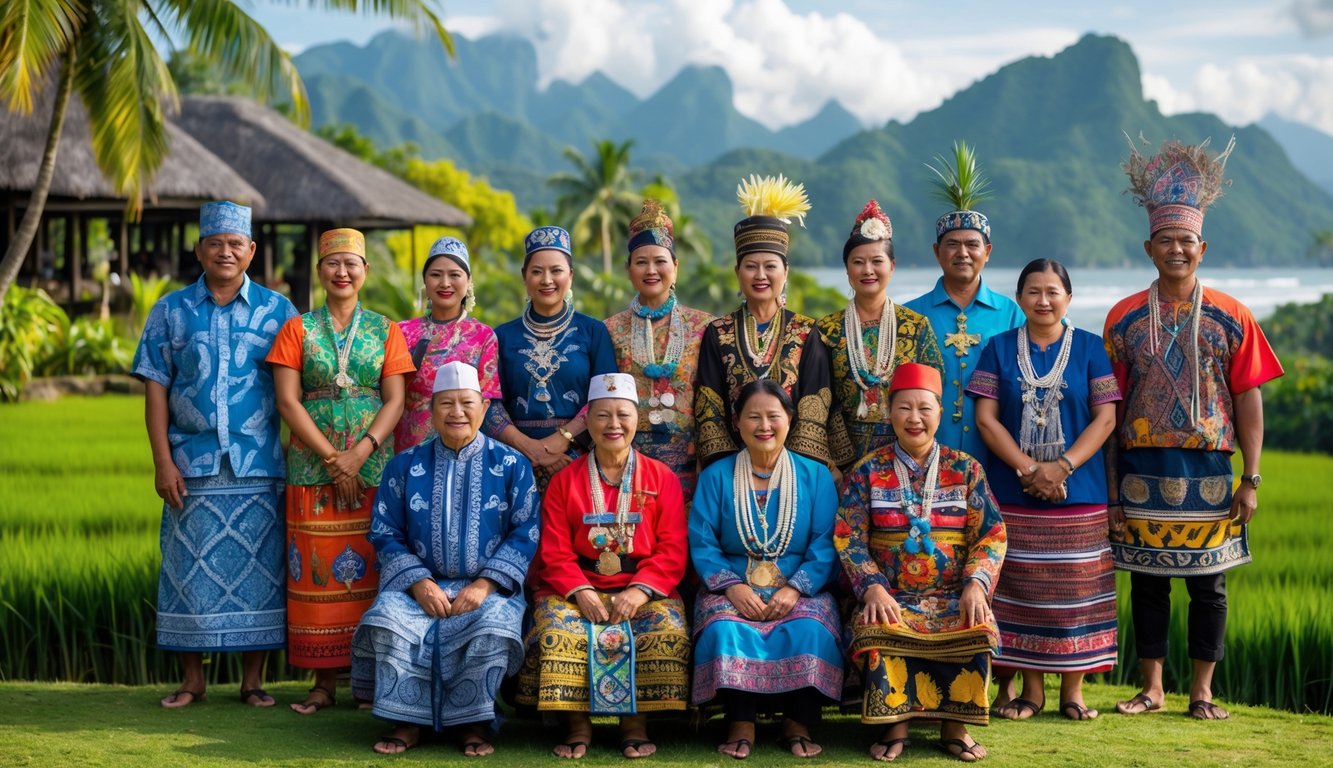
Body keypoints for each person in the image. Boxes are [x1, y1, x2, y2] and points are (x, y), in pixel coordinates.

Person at [1105, 137, 1283, 720]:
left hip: (1209, 469)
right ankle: (1152, 688)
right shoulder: (1124, 317)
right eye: (1166, 240)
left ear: (1201, 247)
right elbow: (1109, 406)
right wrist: (1110, 490)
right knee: (1148, 584)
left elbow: (1248, 401)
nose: (1176, 249)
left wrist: (1251, 478)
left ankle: (1202, 691)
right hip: (1141, 468)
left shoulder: (1234, 316)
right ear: (1148, 246)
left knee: (1210, 586)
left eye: (1186, 241)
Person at [132, 201, 297, 709]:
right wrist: (162, 461)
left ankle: (252, 683)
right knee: (187, 570)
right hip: (192, 464)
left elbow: (297, 391)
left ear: (250, 251)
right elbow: (156, 388)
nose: (225, 252)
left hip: (260, 464)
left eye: (235, 244)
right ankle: (192, 682)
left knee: (262, 572)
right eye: (215, 243)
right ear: (199, 250)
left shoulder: (279, 311)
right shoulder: (170, 310)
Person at [350, 361, 540, 756]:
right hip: (416, 587)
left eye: (467, 403)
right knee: (386, 617)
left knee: (493, 623)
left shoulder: (511, 465)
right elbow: (384, 532)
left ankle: (473, 723)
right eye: (446, 404)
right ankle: (406, 720)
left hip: (487, 588)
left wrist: (485, 585)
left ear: (484, 409)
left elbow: (527, 532)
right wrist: (419, 584)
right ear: (432, 411)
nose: (457, 413)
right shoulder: (404, 465)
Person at [267, 228, 415, 714]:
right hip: (312, 470)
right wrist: (334, 459)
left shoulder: (386, 330)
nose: (343, 272)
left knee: (372, 573)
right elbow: (288, 401)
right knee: (316, 578)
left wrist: (360, 453)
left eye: (352, 264)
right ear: (320, 272)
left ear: (365, 272)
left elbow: (395, 399)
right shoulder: (297, 329)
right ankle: (323, 683)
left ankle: (368, 683)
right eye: (333, 264)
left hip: (376, 470)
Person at [967, 259, 1120, 721]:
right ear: (1020, 299)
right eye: (1033, 291)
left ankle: (1073, 692)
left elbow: (1106, 418)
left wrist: (1063, 467)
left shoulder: (1091, 348)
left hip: (1080, 493)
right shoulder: (997, 349)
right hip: (1013, 493)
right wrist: (1031, 468)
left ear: (1068, 299)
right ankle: (1031, 692)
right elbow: (986, 419)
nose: (1043, 300)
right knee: (1021, 591)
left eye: (1053, 291)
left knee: (1077, 593)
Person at [836, 363, 1007, 762]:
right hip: (890, 594)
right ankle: (896, 725)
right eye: (904, 408)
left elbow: (991, 534)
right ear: (889, 413)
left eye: (924, 409)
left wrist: (975, 584)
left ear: (940, 413)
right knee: (877, 623)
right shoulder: (867, 472)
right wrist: (872, 587)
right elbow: (849, 536)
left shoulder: (966, 469)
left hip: (951, 594)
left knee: (975, 621)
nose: (915, 419)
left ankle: (955, 728)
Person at [518, 372, 690, 760]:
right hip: (576, 585)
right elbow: (554, 551)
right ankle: (577, 724)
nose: (613, 425)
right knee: (558, 630)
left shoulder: (661, 478)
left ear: (637, 421)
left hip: (641, 587)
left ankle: (635, 724)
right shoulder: (565, 480)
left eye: (623, 415)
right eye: (602, 416)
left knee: (668, 629)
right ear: (588, 422)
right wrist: (581, 591)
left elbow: (672, 549)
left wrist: (639, 589)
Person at [690, 379, 842, 760]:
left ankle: (798, 721)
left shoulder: (816, 476)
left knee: (809, 627)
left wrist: (796, 588)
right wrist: (730, 587)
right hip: (732, 584)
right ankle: (740, 721)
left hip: (799, 585)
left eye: (773, 416)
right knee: (725, 627)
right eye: (753, 417)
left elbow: (826, 542)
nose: (764, 426)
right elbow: (703, 542)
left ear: (789, 419)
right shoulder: (716, 476)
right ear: (737, 422)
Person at [695, 175, 833, 470]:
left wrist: (793, 467)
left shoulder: (807, 332)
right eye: (751, 267)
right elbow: (710, 407)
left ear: (785, 271)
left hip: (795, 467)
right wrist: (727, 467)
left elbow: (813, 407)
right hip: (731, 467)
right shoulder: (717, 333)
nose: (760, 275)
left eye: (770, 266)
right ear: (737, 272)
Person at [904, 143, 1023, 466]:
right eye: (952, 245)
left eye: (972, 244)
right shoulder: (910, 315)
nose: (963, 253)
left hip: (996, 457)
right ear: (936, 251)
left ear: (988, 251)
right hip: (924, 457)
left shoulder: (1011, 313)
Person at [486, 226, 618, 492]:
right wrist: (529, 448)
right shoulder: (502, 335)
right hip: (515, 461)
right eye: (537, 271)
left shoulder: (593, 332)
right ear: (524, 277)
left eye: (556, 270)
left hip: (576, 459)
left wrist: (562, 441)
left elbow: (604, 396)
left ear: (570, 275)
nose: (547, 279)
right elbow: (490, 403)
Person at [818, 199, 943, 472]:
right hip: (843, 464)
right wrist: (840, 464)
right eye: (858, 262)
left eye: (877, 261)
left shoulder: (915, 326)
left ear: (892, 265)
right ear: (847, 268)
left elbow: (932, 395)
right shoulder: (827, 330)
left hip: (908, 453)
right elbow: (819, 399)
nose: (868, 270)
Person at [604, 200, 713, 501]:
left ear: (675, 268)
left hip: (692, 463)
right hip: (627, 461)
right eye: (641, 262)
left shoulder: (706, 327)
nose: (651, 270)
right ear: (628, 270)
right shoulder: (609, 330)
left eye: (660, 261)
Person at [394, 237, 501, 452]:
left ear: (469, 281)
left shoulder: (483, 336)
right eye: (436, 275)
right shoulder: (402, 332)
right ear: (425, 280)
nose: (445, 283)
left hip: (463, 448)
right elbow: (389, 395)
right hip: (409, 449)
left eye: (454, 275)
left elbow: (488, 401)